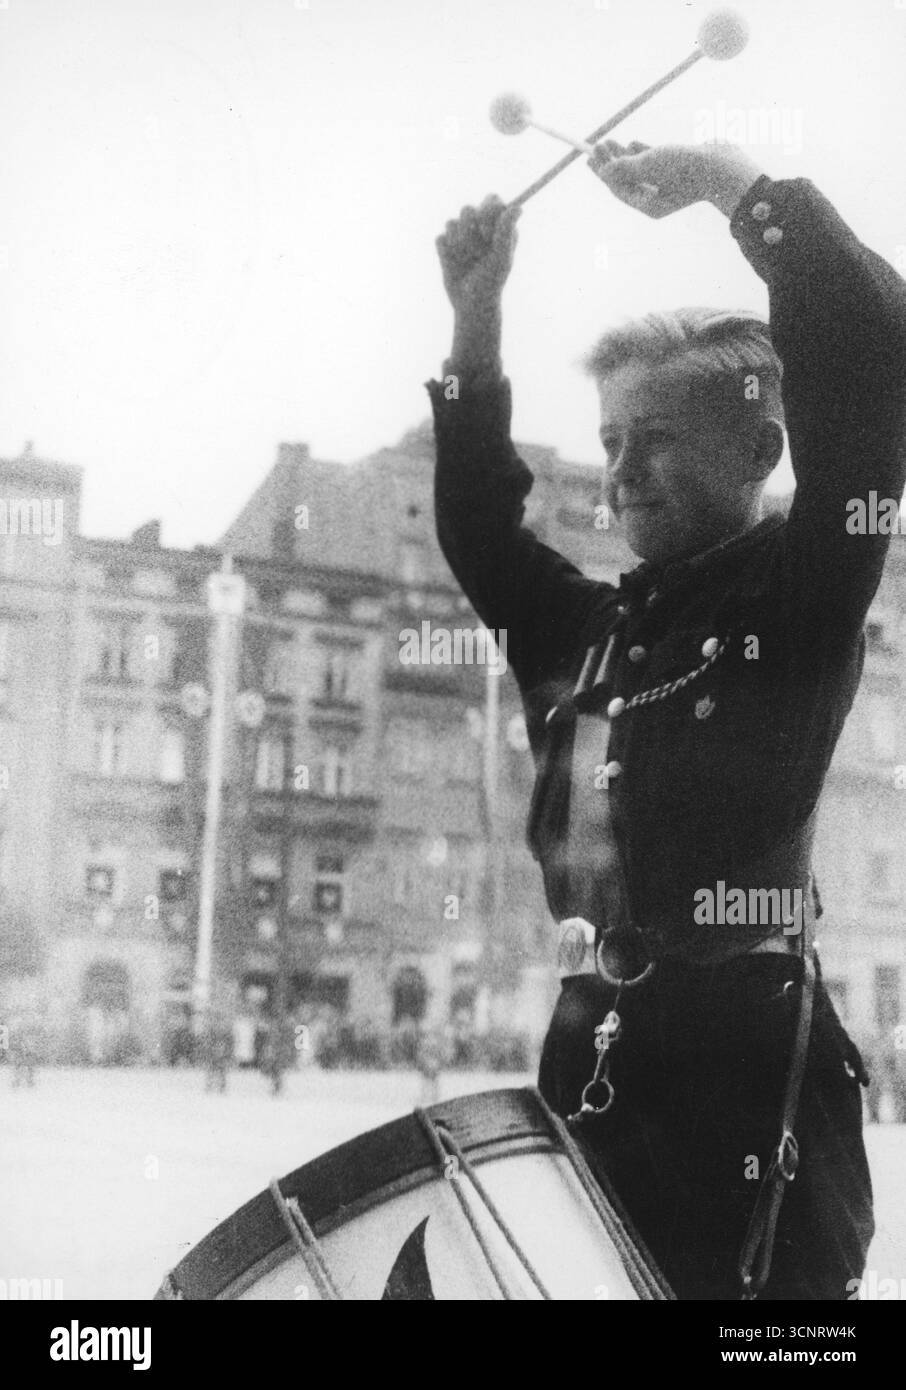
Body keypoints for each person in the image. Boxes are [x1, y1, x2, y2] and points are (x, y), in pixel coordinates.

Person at [429, 140, 906, 1300]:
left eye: (654, 439)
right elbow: (480, 528)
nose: (620, 474)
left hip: (749, 1084)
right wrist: (476, 320)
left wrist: (727, 182)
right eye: (608, 442)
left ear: (758, 447)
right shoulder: (583, 632)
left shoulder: (803, 593)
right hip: (589, 1053)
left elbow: (872, 359)